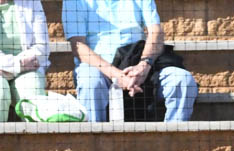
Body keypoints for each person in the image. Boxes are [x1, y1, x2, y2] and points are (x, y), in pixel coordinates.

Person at [62, 0, 198, 122]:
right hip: (99, 68)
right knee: (90, 81)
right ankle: (93, 144)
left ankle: (173, 143)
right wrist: (118, 75)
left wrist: (144, 66)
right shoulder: (75, 1)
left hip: (139, 64)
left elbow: (156, 32)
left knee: (183, 80)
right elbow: (78, 46)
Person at [0, 0, 48, 121]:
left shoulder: (32, 2)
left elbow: (42, 47)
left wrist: (8, 68)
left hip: (28, 69)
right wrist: (19, 65)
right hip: (23, 65)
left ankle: (36, 140)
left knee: (33, 93)